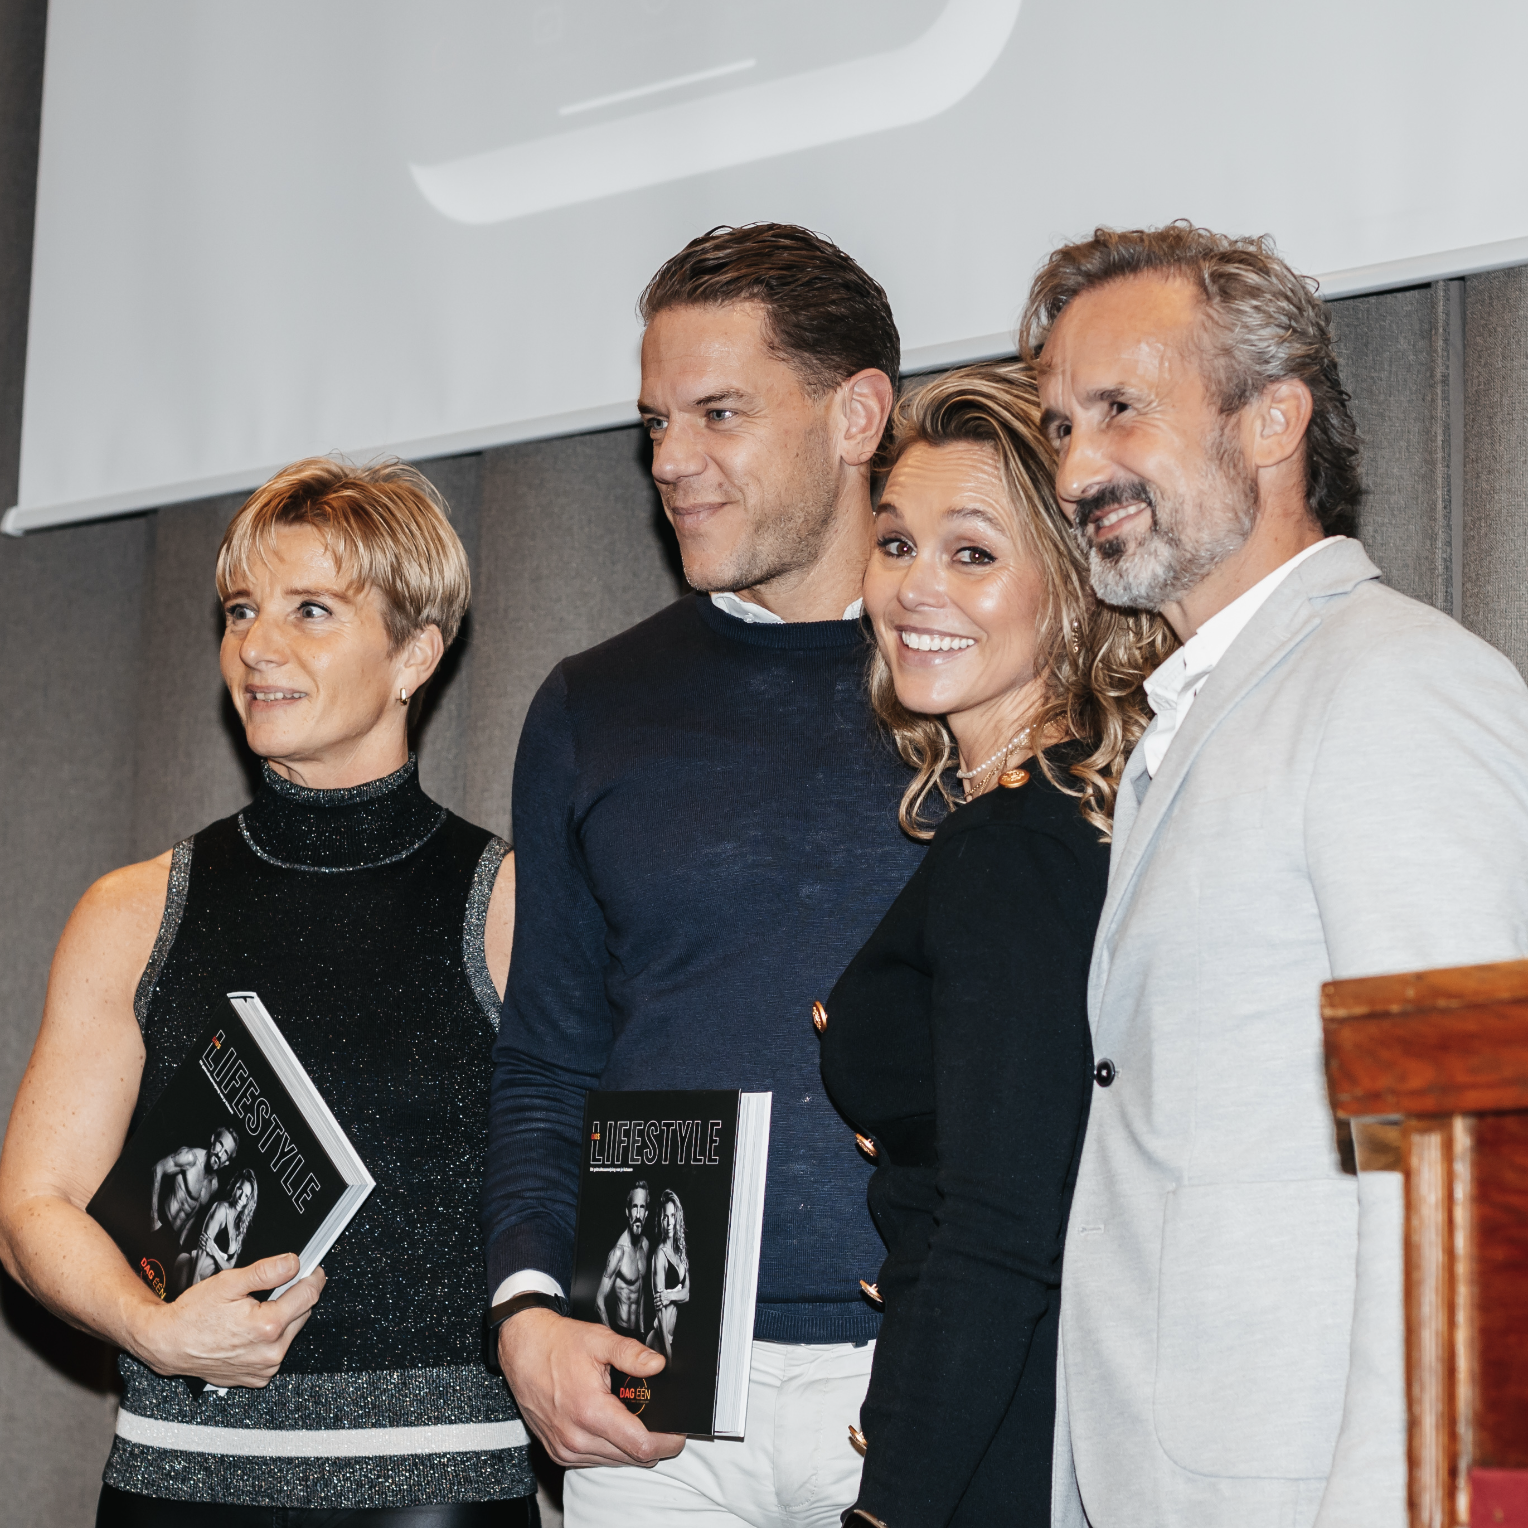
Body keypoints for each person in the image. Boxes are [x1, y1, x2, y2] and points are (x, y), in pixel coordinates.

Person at [1024, 223, 1528, 1528]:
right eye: (1061, 425)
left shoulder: (1393, 688)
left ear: (1271, 420)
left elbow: (1469, 1164)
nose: (1075, 467)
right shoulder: (1199, 713)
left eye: (1120, 408)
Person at [484, 222, 924, 1528]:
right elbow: (547, 1056)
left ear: (856, 416)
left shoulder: (995, 682)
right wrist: (527, 1310)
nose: (670, 460)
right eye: (656, 422)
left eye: (718, 413)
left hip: (927, 1367)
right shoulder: (591, 705)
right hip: (653, 1384)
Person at [0, 458, 536, 1525]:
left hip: (439, 1488)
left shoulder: (515, 904)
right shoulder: (131, 910)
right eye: (241, 609)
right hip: (173, 1478)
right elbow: (32, 1208)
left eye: (311, 610)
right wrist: (152, 1330)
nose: (255, 645)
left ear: (415, 654)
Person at [818, 362, 1172, 1528]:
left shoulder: (1015, 845)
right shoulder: (1065, 816)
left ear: (1069, 584)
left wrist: (889, 1508)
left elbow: (997, 1234)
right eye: (894, 543)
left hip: (999, 1451)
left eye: (972, 552)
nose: (914, 587)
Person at [175, 1170, 258, 1294]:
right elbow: (202, 1249)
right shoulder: (221, 1209)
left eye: (246, 1196)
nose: (241, 1198)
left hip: (207, 1285)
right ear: (234, 1187)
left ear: (248, 1201)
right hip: (190, 1271)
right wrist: (192, 1286)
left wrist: (214, 1250)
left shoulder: (239, 1229)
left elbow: (229, 1268)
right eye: (240, 1189)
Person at [151, 1127, 237, 1241]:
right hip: (162, 1220)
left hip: (174, 1237)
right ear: (213, 1139)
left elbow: (194, 1212)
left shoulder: (214, 1184)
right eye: (220, 1144)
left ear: (227, 1162)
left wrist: (180, 1243)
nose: (220, 1154)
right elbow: (158, 1168)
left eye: (226, 1152)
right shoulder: (191, 1158)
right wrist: (154, 1219)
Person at [595, 1183, 652, 1340]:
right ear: (628, 1211)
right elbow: (599, 1301)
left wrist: (642, 1331)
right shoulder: (618, 1253)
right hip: (620, 1332)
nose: (638, 1214)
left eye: (642, 1207)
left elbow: (640, 1290)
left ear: (646, 1213)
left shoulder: (645, 1245)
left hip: (637, 1334)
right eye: (634, 1207)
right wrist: (613, 1341)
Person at [646, 1190, 689, 1361]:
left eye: (673, 1215)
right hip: (659, 1339)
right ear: (660, 1220)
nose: (670, 1222)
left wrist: (669, 1295)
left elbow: (687, 1294)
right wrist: (667, 1351)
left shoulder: (680, 1253)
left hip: (671, 1339)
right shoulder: (660, 1255)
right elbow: (660, 1311)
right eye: (665, 1217)